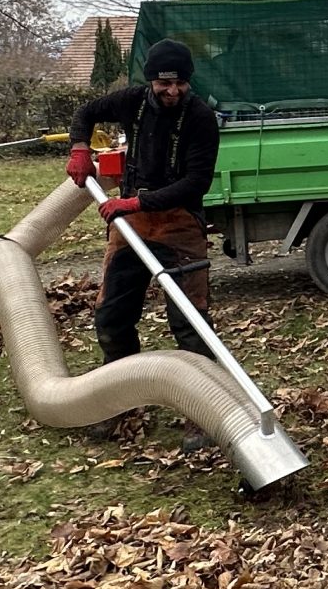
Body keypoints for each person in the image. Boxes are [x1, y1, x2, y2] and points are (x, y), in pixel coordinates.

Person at [65, 38, 220, 365]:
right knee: (112, 316)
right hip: (132, 226)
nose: (173, 90)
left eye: (180, 82)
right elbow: (86, 112)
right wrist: (80, 148)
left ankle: (205, 405)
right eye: (165, 83)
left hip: (180, 224)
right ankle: (123, 397)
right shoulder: (131, 102)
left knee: (191, 323)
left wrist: (135, 204)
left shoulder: (200, 117)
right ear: (151, 80)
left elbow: (196, 183)